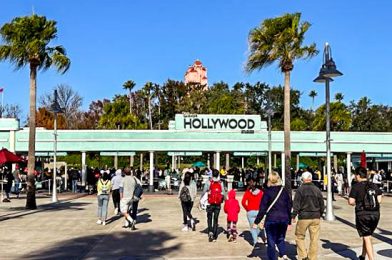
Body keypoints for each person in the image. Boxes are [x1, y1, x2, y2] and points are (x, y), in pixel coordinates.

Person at [253, 171, 291, 260]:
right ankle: (283, 254)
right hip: (284, 218)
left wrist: (256, 222)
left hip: (272, 219)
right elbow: (289, 206)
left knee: (271, 241)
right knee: (281, 237)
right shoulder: (284, 191)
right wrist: (289, 220)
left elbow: (262, 208)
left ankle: (273, 258)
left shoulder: (267, 192)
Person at [348, 167, 383, 260]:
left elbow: (351, 201)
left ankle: (371, 259)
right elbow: (379, 200)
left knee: (367, 237)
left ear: (358, 176)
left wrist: (359, 203)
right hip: (375, 214)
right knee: (367, 234)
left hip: (363, 214)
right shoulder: (374, 185)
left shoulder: (356, 186)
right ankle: (363, 256)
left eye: (355, 175)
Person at [292, 171, 325, 260]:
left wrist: (293, 216)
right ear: (311, 179)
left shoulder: (300, 190)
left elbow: (296, 205)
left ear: (302, 179)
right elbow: (322, 204)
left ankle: (303, 256)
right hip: (315, 217)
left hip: (303, 217)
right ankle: (312, 257)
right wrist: (320, 214)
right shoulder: (317, 189)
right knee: (314, 239)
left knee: (299, 237)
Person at [241, 177, 266, 248]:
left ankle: (255, 242)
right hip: (259, 212)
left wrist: (248, 209)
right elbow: (264, 203)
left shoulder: (247, 192)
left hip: (250, 212)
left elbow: (243, 202)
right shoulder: (261, 193)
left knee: (253, 228)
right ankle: (255, 238)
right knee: (260, 227)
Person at [202, 169, 225, 242]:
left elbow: (204, 191)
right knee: (215, 219)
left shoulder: (208, 182)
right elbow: (223, 193)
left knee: (209, 218)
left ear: (212, 175)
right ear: (218, 175)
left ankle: (210, 232)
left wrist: (201, 200)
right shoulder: (221, 183)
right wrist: (223, 200)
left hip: (210, 203)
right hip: (218, 203)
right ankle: (215, 235)